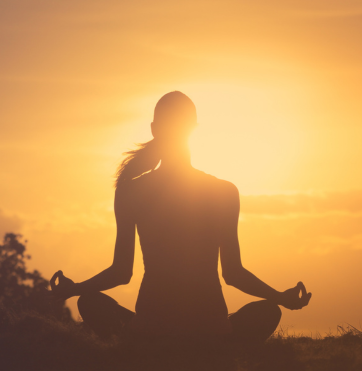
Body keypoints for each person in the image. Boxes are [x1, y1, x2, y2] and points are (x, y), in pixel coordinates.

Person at [50, 91, 311, 343]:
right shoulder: (224, 191)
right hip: (211, 330)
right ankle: (218, 344)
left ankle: (148, 344)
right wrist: (280, 298)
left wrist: (73, 290)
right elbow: (234, 274)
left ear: (154, 129)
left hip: (150, 331)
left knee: (89, 302)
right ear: (194, 129)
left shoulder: (130, 192)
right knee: (269, 311)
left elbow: (121, 273)